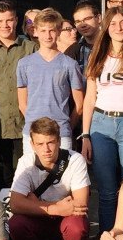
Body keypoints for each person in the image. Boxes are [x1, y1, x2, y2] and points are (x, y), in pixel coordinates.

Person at [80, 6, 123, 226]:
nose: (118, 28)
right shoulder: (97, 57)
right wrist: (85, 135)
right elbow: (90, 98)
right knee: (107, 190)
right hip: (101, 125)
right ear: (106, 28)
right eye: (113, 23)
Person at [7, 117, 91, 240]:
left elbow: (80, 205)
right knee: (16, 224)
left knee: (77, 227)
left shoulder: (75, 160)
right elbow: (15, 204)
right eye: (40, 144)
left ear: (59, 141)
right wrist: (57, 208)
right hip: (40, 218)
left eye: (50, 142)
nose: (46, 149)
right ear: (32, 145)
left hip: (67, 219)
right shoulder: (26, 162)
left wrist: (34, 204)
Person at [15, 9, 85, 175]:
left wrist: (67, 125)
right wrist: (36, 126)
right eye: (43, 30)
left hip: (61, 133)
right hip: (32, 134)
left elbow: (80, 103)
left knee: (62, 180)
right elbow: (22, 103)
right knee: (32, 179)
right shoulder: (24, 64)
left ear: (59, 31)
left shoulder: (69, 64)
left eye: (52, 30)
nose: (48, 35)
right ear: (36, 32)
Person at [0, 1, 37, 189]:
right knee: (2, 179)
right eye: (0, 21)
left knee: (28, 175)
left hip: (25, 125)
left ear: (17, 21)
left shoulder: (32, 49)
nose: (5, 25)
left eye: (9, 20)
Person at [69, 0, 100, 71]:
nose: (83, 25)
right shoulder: (73, 50)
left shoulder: (112, 44)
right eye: (78, 21)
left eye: (87, 19)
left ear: (98, 18)